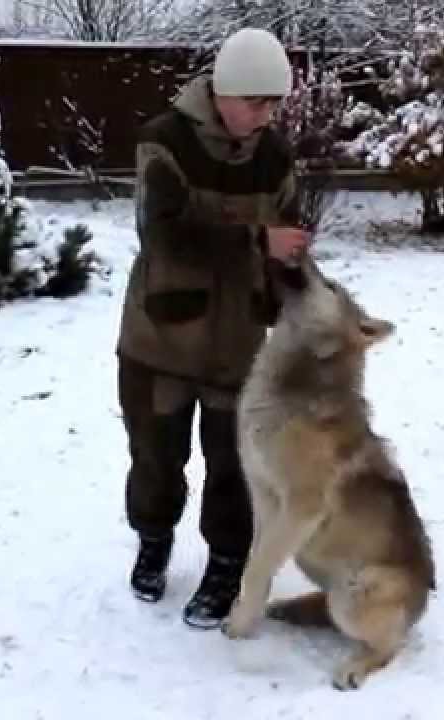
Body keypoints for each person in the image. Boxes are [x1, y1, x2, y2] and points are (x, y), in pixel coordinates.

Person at [114, 27, 311, 629]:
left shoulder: (275, 156)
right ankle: (153, 538)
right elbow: (166, 234)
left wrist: (299, 308)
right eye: (257, 101)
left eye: (275, 103)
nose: (267, 114)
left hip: (238, 345)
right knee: (155, 455)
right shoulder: (163, 142)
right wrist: (256, 239)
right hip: (161, 340)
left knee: (234, 466)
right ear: (224, 92)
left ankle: (227, 562)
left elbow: (288, 244)